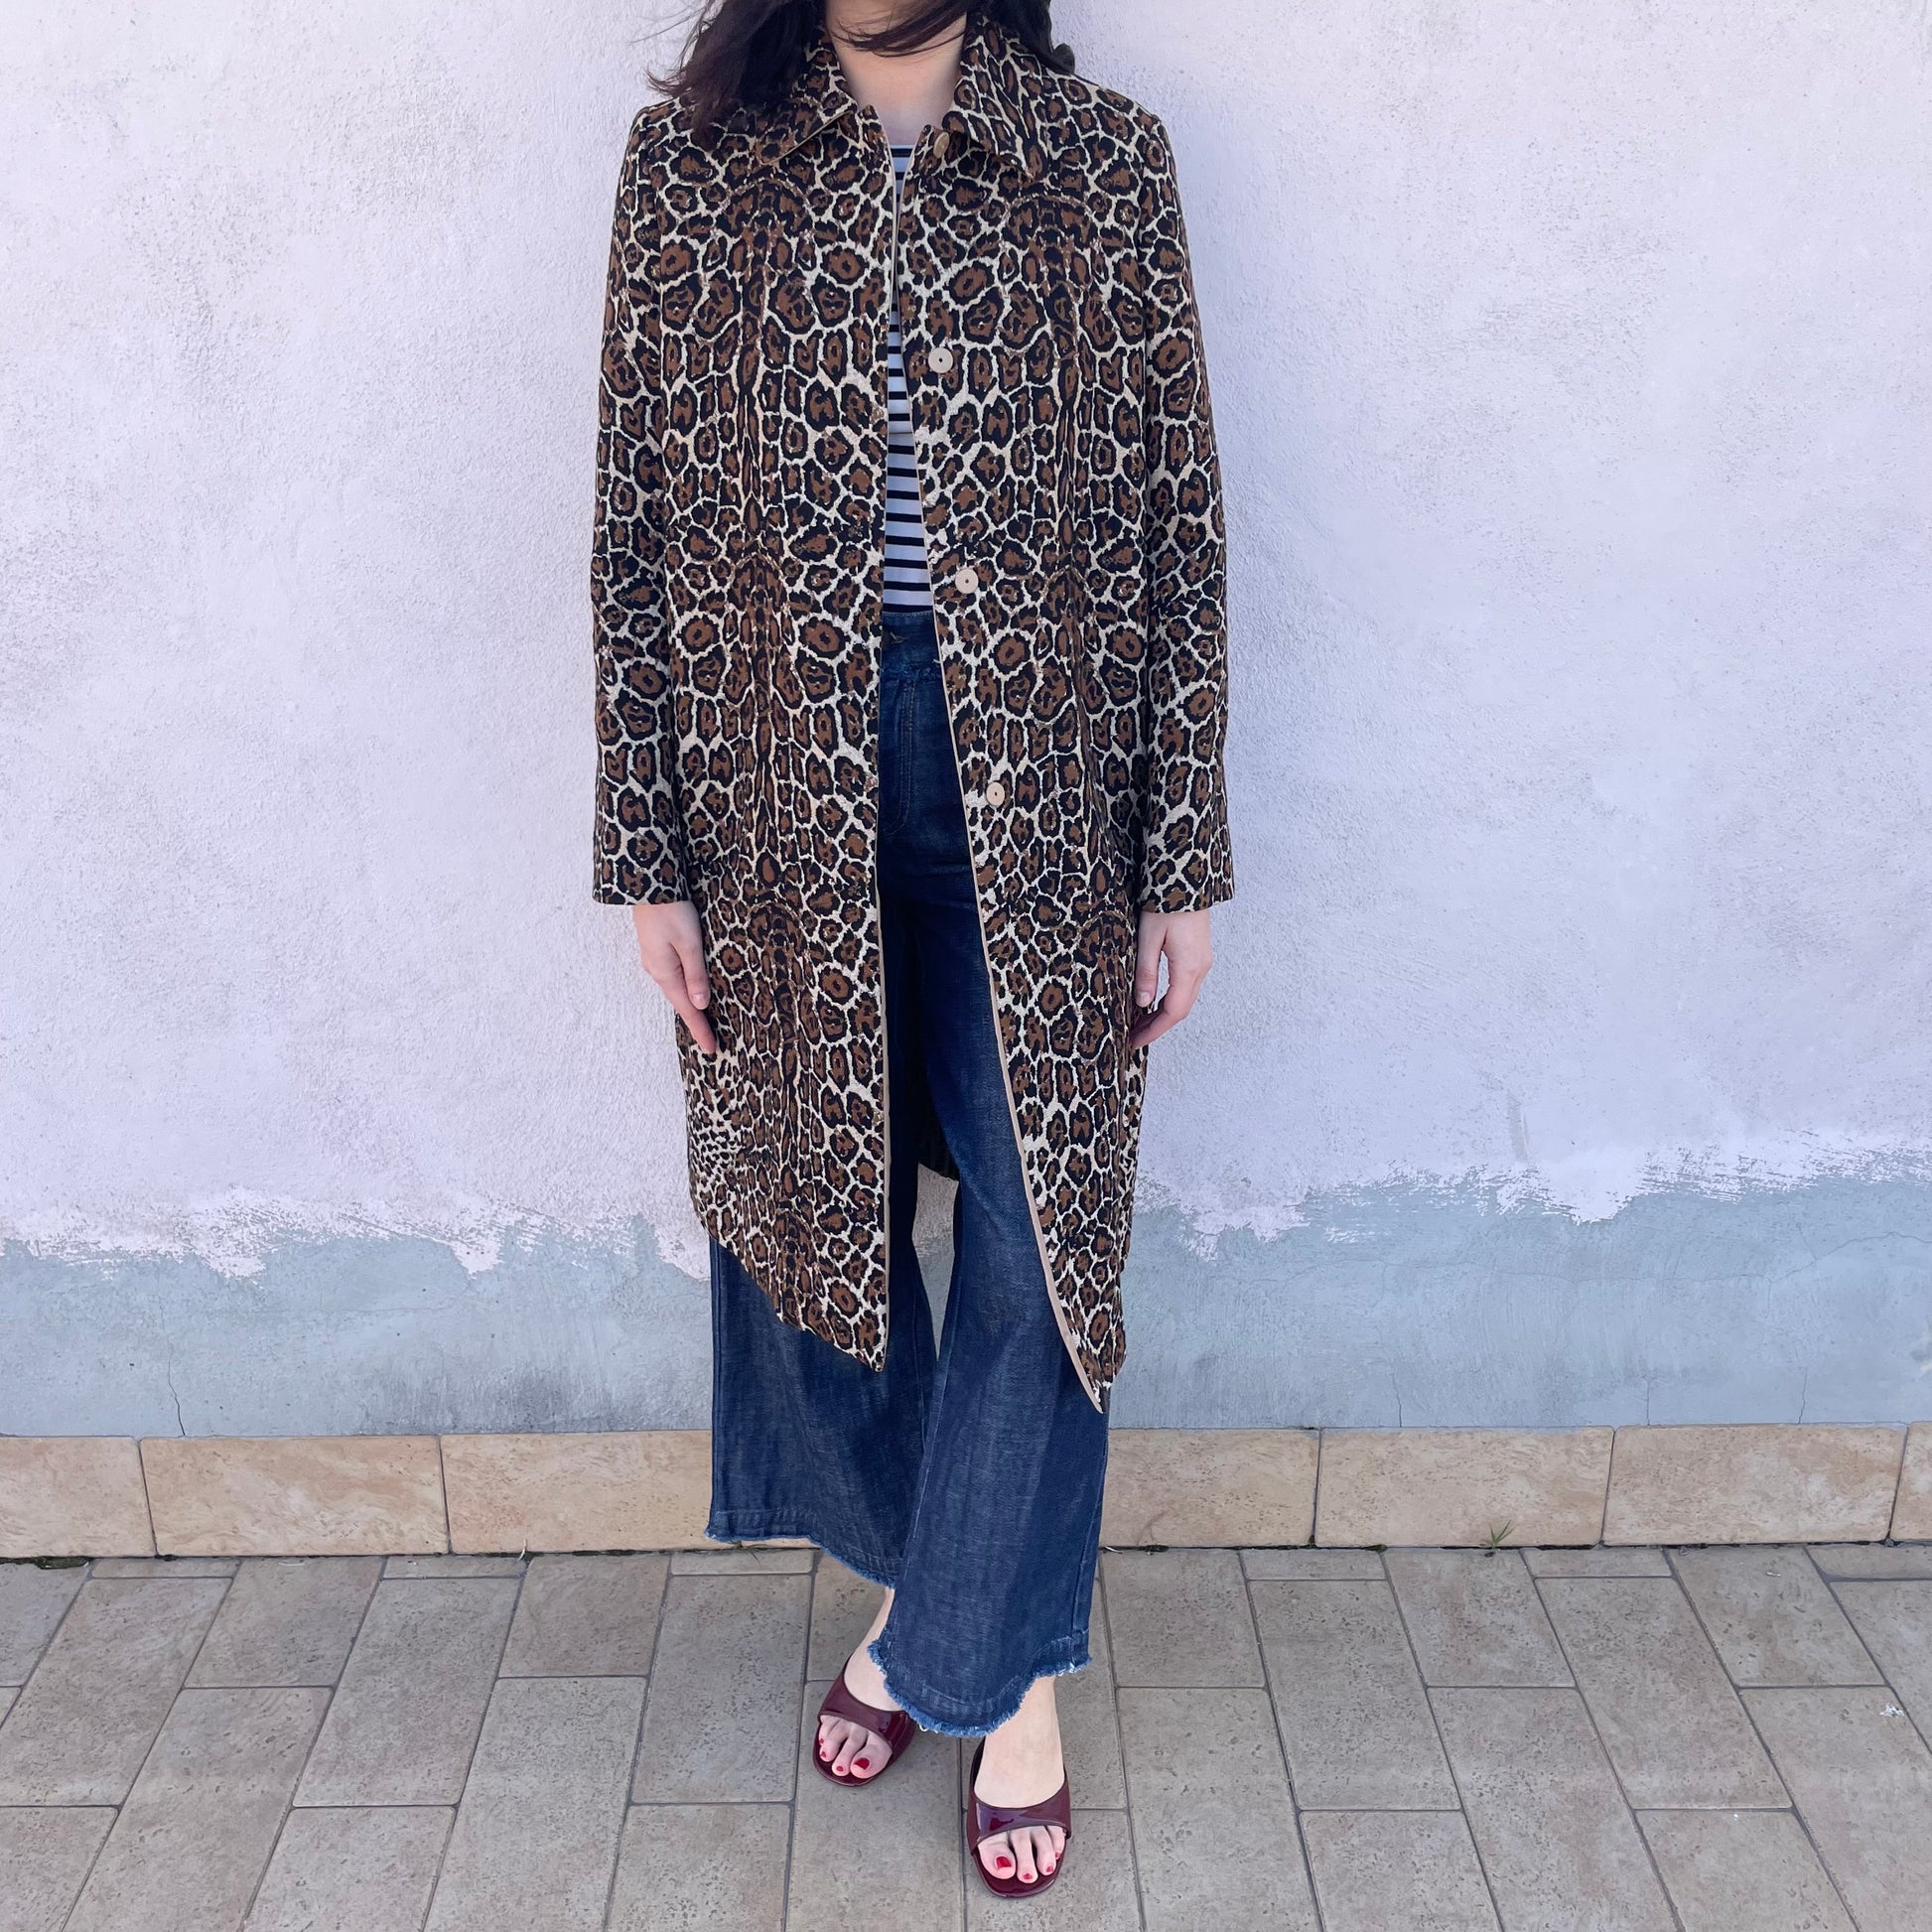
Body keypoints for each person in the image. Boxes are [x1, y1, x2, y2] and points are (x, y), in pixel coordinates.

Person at [592, 0, 1231, 1895]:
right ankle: (955, 1611)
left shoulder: (1100, 164)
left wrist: (1180, 856)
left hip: (1041, 786)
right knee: (813, 1227)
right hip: (770, 783)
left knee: (1042, 1245)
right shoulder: (694, 165)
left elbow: (1178, 524)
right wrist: (648, 852)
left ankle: (976, 1666)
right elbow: (632, 524)